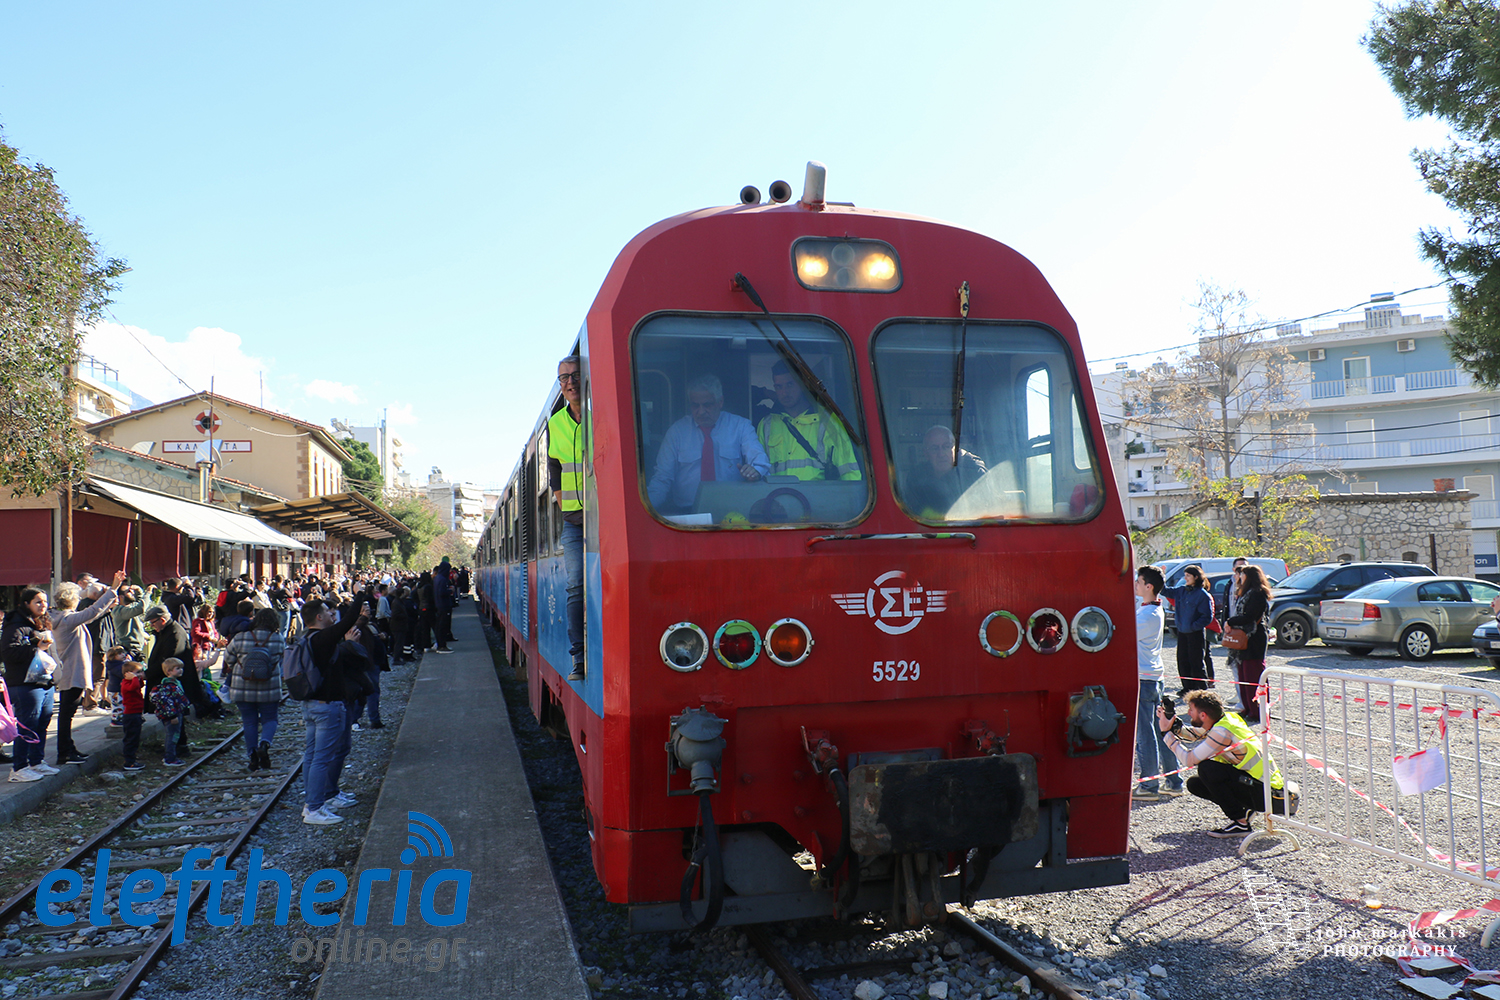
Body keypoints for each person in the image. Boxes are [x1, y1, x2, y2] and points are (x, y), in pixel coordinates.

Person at [1156, 689, 1296, 838]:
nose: (1188, 713)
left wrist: (1166, 734)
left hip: (1269, 796)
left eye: (1191, 709)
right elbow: (1195, 734)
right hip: (1264, 786)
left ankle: (1241, 823)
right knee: (1195, 784)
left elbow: (1189, 760)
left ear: (1203, 715)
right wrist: (1173, 725)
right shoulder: (1228, 719)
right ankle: (1245, 811)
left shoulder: (1221, 732)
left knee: (1207, 769)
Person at [647, 374, 770, 513]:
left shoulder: (740, 426)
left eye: (707, 405)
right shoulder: (677, 432)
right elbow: (662, 479)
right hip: (686, 513)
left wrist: (755, 471)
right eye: (695, 405)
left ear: (720, 402)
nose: (701, 412)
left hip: (732, 511)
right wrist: (645, 508)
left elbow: (760, 461)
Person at [295, 597, 364, 826]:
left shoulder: (306, 639)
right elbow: (349, 620)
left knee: (312, 756)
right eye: (327, 611)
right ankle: (315, 807)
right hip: (326, 706)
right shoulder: (323, 638)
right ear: (319, 617)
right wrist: (360, 593)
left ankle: (313, 803)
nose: (332, 615)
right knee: (321, 758)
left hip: (311, 704)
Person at [50, 571, 127, 767]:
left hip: (69, 671)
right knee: (67, 714)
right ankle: (64, 752)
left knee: (67, 713)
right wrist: (114, 588)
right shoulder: (67, 620)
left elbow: (92, 615)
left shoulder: (60, 617)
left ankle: (68, 748)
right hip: (72, 672)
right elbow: (92, 612)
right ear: (72, 600)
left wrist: (108, 601)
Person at [756, 360, 861, 482]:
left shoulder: (829, 421)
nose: (784, 392)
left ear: (803, 384)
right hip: (777, 494)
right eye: (779, 387)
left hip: (819, 495)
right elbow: (758, 471)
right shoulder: (766, 424)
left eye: (790, 384)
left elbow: (849, 473)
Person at [548, 355, 587, 680]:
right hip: (574, 520)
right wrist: (564, 505)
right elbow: (554, 469)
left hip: (605, 517)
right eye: (564, 378)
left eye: (575, 375)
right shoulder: (556, 422)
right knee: (575, 586)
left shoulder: (600, 413)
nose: (570, 382)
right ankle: (579, 657)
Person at [1132, 566, 1184, 801]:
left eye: (1139, 581)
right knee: (1160, 731)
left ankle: (1149, 784)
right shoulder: (1152, 608)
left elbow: (1124, 635)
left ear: (1148, 586)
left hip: (1144, 678)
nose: (1136, 584)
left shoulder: (1147, 615)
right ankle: (1173, 781)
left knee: (1146, 734)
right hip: (1153, 676)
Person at [3, 588, 60, 782]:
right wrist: (35, 646)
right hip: (24, 683)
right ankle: (19, 768)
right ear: (26, 603)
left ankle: (36, 761)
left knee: (42, 721)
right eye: (38, 602)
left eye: (45, 601)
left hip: (43, 681)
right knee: (27, 724)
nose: (43, 605)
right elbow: (9, 653)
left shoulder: (40, 622)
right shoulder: (16, 624)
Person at [222, 608, 286, 771]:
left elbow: (228, 658)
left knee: (249, 722)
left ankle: (252, 757)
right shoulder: (278, 639)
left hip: (242, 687)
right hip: (269, 688)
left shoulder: (240, 637)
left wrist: (239, 669)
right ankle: (264, 744)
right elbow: (281, 660)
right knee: (270, 719)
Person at [144, 606, 206, 757]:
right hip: (168, 681)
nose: (152, 626)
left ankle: (179, 746)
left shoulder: (174, 633)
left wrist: (148, 674)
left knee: (175, 716)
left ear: (162, 620)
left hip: (175, 683)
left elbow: (169, 659)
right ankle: (174, 744)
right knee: (171, 716)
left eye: (153, 623)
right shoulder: (167, 631)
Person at [905, 425, 986, 517]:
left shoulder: (974, 471)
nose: (941, 454)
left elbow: (987, 510)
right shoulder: (916, 477)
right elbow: (913, 512)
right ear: (926, 454)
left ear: (956, 449)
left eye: (946, 447)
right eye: (935, 448)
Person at [1227, 566, 1273, 726]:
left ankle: (1258, 711)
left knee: (1254, 675)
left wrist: (1230, 622)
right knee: (1244, 676)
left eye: (1243, 574)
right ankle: (1247, 708)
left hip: (1254, 638)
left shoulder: (1258, 593)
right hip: (1244, 638)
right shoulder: (1245, 592)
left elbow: (1250, 616)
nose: (1240, 576)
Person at [1161, 565, 1213, 695]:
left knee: (1196, 662)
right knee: (1182, 660)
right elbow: (1165, 591)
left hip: (1195, 633)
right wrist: (1162, 576)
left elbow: (1207, 617)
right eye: (1185, 575)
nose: (1185, 578)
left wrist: (1192, 626)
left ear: (1196, 577)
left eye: (1188, 575)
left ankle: (1200, 689)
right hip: (1182, 632)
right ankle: (1187, 688)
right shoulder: (1181, 591)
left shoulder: (1202, 595)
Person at [151, 658, 190, 766]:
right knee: (172, 736)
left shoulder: (174, 684)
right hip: (172, 714)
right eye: (177, 668)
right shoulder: (169, 686)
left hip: (176, 713)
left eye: (181, 668)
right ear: (169, 671)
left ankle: (171, 756)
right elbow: (168, 702)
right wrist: (172, 715)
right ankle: (170, 758)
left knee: (173, 735)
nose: (181, 670)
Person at [1222, 558, 1249, 708]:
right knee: (1233, 664)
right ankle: (1239, 695)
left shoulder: (1249, 589)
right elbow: (1227, 606)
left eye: (1244, 569)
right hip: (1231, 629)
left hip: (1243, 631)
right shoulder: (1230, 584)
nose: (1241, 572)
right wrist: (1226, 623)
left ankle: (1245, 700)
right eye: (1239, 569)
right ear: (1234, 570)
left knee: (1243, 666)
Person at [119, 661, 146, 772]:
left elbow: (140, 685)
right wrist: (134, 678)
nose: (140, 674)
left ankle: (132, 759)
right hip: (131, 715)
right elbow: (134, 687)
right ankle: (129, 762)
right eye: (137, 672)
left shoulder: (133, 682)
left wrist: (138, 677)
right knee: (131, 739)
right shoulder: (126, 684)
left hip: (136, 713)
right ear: (128, 673)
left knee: (135, 738)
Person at [432, 557, 455, 654]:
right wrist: (450, 590)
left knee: (440, 626)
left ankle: (440, 644)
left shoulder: (437, 578)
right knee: (443, 626)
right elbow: (442, 592)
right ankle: (442, 646)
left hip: (439, 605)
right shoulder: (442, 579)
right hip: (444, 605)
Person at [104, 645, 128, 727]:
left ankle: (120, 719)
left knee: (121, 705)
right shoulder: (116, 665)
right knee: (118, 706)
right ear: (113, 656)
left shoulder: (118, 664)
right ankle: (116, 720)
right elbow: (122, 674)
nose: (123, 655)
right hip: (116, 690)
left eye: (123, 653)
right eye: (120, 654)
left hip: (117, 689)